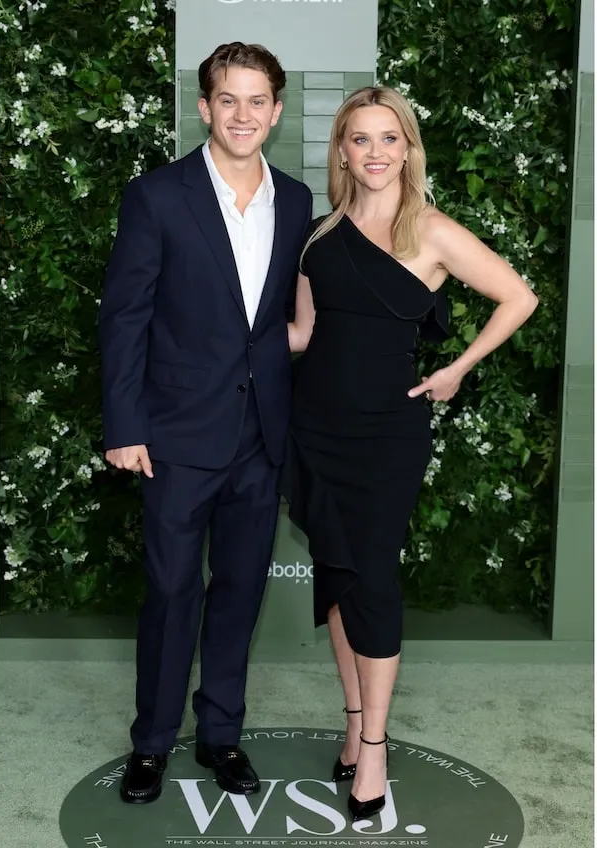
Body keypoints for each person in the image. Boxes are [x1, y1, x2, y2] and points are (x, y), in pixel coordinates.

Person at [282, 86, 537, 820]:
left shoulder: (429, 230)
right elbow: (302, 334)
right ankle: (354, 722)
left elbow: (517, 297)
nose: (375, 153)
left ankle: (376, 750)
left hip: (387, 432)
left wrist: (456, 367)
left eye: (389, 139)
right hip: (315, 425)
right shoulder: (318, 232)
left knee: (373, 577)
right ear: (342, 150)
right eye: (360, 139)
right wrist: (210, 344)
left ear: (408, 148)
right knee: (334, 570)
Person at [99, 42, 313, 805]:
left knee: (241, 590)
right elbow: (124, 319)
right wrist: (125, 426)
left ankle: (221, 734)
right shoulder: (156, 196)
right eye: (230, 99)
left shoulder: (295, 201)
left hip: (261, 435)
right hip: (175, 435)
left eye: (258, 101)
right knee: (170, 591)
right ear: (205, 107)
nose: (244, 114)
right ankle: (152, 743)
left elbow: (283, 318)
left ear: (278, 112)